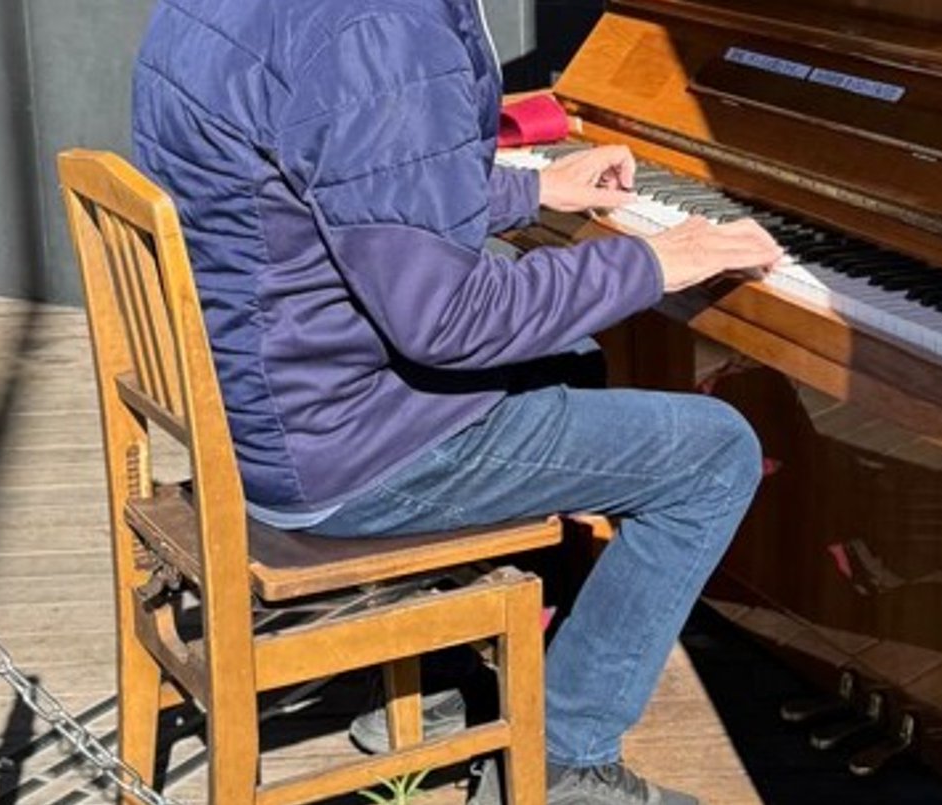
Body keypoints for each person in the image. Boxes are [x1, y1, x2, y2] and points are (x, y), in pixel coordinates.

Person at [132, 1, 782, 803]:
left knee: (575, 359)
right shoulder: (382, 28)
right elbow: (447, 319)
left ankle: (420, 675)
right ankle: (564, 765)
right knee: (715, 453)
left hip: (257, 407)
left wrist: (532, 188)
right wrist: (652, 261)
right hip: (342, 447)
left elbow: (332, 179)